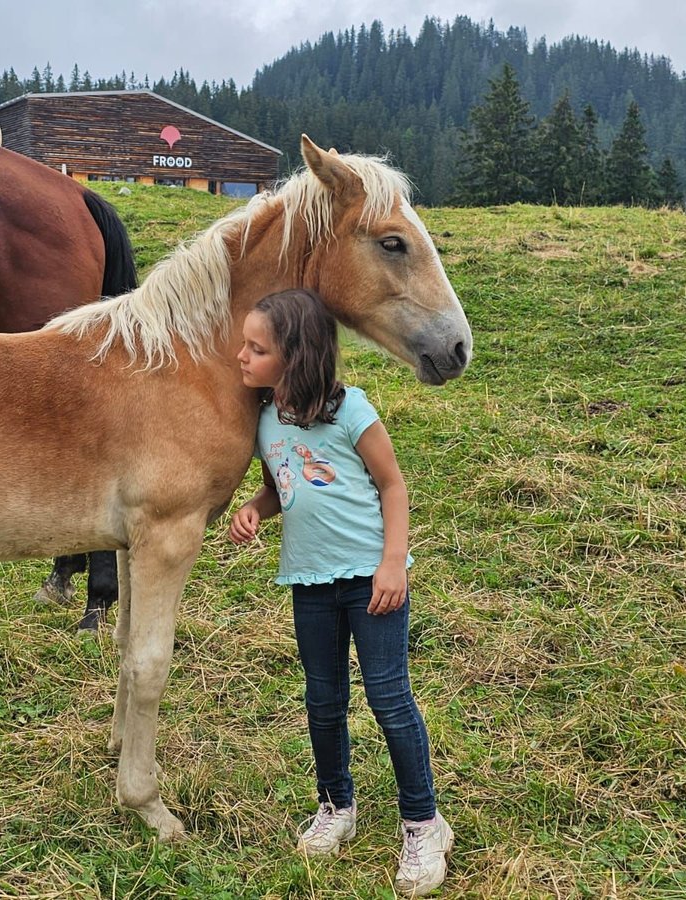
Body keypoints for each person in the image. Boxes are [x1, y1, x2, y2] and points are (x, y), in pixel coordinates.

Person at [229, 289, 453, 896]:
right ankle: (337, 807)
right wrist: (255, 507)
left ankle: (423, 822)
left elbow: (393, 485)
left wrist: (391, 564)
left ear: (295, 356)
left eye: (257, 349)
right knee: (323, 701)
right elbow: (285, 482)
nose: (241, 356)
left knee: (388, 698)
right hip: (309, 580)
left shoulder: (352, 409)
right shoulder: (265, 418)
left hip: (370, 581)